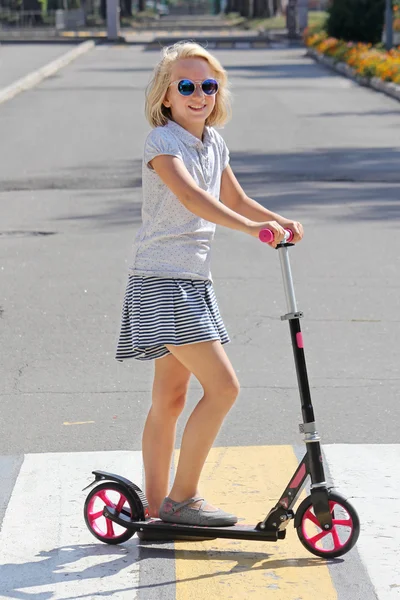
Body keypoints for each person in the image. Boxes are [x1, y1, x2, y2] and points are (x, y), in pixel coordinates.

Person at [115, 41, 304, 532]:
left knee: (171, 398)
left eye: (208, 85)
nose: (199, 94)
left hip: (194, 280)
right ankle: (184, 498)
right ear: (166, 97)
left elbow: (234, 196)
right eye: (186, 86)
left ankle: (157, 508)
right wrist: (249, 231)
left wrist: (277, 220)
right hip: (162, 281)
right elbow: (192, 198)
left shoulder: (213, 142)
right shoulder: (162, 143)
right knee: (223, 388)